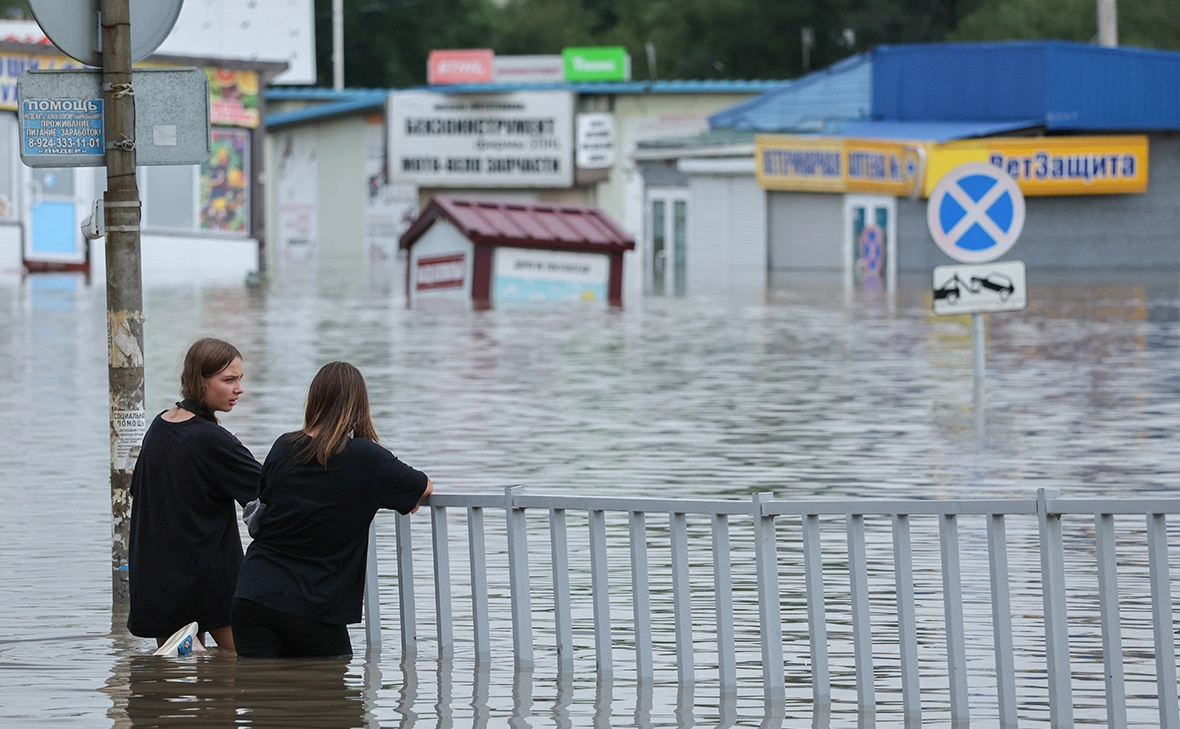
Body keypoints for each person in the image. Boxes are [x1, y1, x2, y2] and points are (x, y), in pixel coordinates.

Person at [232, 361, 433, 658]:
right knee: (335, 697)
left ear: (315, 400)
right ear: (359, 405)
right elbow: (424, 486)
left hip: (252, 593)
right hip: (312, 604)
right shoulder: (366, 457)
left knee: (263, 696)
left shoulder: (283, 446)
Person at [127, 338, 262, 652]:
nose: (239, 388)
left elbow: (140, 491)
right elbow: (271, 488)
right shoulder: (214, 440)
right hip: (211, 580)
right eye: (229, 380)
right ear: (200, 382)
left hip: (159, 581)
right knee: (241, 666)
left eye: (240, 379)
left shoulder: (160, 425)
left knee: (176, 680)